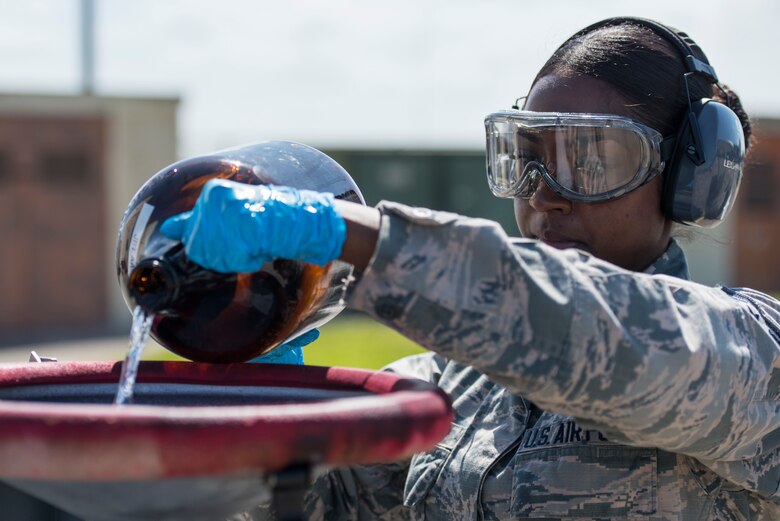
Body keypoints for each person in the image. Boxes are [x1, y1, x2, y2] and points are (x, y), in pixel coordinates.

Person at [161, 17, 780, 521]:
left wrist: (348, 236)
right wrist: (269, 422)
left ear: (685, 181)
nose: (544, 195)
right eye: (527, 159)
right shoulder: (452, 386)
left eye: (589, 160)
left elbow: (589, 331)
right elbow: (322, 503)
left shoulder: (748, 352)